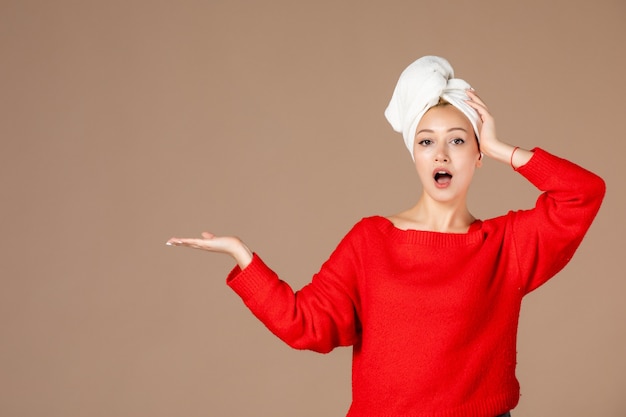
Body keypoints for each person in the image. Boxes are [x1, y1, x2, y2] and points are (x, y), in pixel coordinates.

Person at [166, 56, 605, 417]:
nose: (441, 154)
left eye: (457, 141)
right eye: (426, 141)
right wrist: (243, 257)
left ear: (477, 155)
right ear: (413, 154)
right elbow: (306, 324)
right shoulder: (371, 240)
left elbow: (583, 193)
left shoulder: (506, 245)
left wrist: (503, 148)